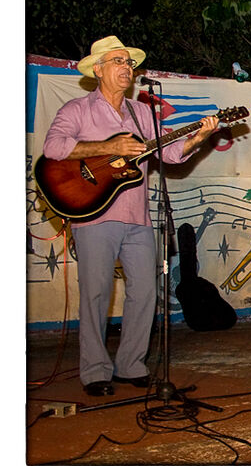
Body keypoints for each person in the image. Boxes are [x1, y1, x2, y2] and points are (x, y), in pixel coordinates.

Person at [42, 36, 219, 397]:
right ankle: (95, 371)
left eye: (130, 63)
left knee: (145, 291)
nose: (127, 68)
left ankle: (131, 365)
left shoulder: (142, 113)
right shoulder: (78, 109)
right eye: (119, 61)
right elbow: (53, 147)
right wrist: (109, 146)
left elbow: (171, 153)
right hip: (93, 214)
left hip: (137, 218)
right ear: (98, 70)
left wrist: (199, 137)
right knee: (96, 293)